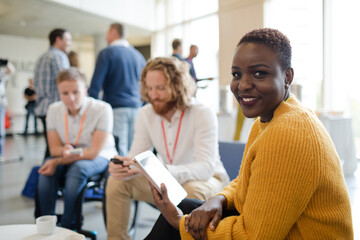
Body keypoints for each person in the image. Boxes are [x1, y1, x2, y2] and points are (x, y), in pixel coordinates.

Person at [145, 28, 354, 240]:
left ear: (287, 77)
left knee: (174, 226)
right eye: (237, 74)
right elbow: (247, 180)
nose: (243, 85)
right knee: (187, 206)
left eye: (259, 73)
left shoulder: (289, 131)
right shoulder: (269, 118)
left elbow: (255, 236)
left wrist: (180, 223)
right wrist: (219, 199)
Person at [106, 57, 229, 240]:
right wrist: (125, 167)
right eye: (149, 88)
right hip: (165, 179)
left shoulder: (202, 112)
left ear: (178, 86)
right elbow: (136, 156)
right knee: (117, 183)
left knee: (191, 193)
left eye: (161, 88)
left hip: (207, 179)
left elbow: (205, 167)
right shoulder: (146, 113)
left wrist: (165, 171)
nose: (153, 95)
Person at [37, 67, 117, 229]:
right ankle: (45, 225)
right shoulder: (53, 110)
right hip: (70, 155)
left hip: (99, 156)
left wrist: (59, 159)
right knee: (47, 170)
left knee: (77, 169)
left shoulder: (102, 109)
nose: (71, 98)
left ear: (85, 91)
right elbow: (54, 149)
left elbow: (93, 152)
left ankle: (69, 226)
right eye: (64, 93)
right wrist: (59, 157)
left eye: (76, 92)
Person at [88, 23, 146, 156]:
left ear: (114, 32)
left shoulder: (106, 53)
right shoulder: (137, 55)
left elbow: (96, 84)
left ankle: (122, 177)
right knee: (135, 149)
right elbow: (145, 83)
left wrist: (91, 110)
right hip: (136, 108)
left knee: (120, 149)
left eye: (107, 31)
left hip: (116, 108)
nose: (105, 35)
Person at [34, 28, 72, 159]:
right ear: (58, 39)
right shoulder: (59, 56)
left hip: (42, 108)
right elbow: (68, 82)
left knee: (50, 147)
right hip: (56, 109)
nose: (69, 43)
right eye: (67, 40)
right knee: (57, 149)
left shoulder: (42, 57)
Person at [0, 59, 15, 157]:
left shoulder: (1, 76)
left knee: (1, 130)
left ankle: (0, 153)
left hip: (1, 105)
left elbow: (11, 70)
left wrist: (6, 62)